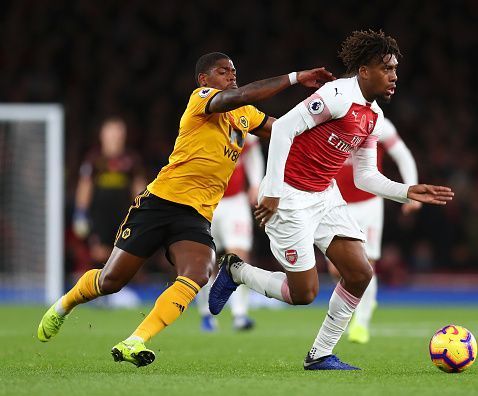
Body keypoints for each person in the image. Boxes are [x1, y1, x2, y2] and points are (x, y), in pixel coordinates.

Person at [37, 51, 334, 367]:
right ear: (204, 79)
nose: (232, 75)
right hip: (160, 202)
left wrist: (329, 120)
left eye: (234, 71)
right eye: (223, 71)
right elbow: (241, 94)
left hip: (194, 216)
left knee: (199, 272)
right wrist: (294, 78)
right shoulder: (202, 98)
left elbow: (285, 130)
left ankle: (134, 341)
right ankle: (64, 305)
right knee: (111, 281)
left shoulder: (244, 113)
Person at [208, 30, 454, 370]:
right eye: (387, 68)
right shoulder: (336, 94)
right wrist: (274, 191)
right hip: (290, 196)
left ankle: (320, 354)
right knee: (303, 294)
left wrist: (406, 191)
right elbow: (282, 130)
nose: (394, 76)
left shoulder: (374, 117)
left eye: (396, 69)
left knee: (359, 272)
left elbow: (363, 176)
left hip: (325, 195)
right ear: (365, 70)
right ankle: (236, 272)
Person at [330, 117, 421, 344]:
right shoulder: (330, 118)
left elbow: (403, 154)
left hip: (368, 204)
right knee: (335, 269)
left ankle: (361, 322)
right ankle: (360, 303)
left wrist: (411, 188)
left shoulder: (379, 122)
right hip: (335, 203)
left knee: (366, 264)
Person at [72, 117, 146, 307]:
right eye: (111, 133)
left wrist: (144, 210)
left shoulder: (131, 160)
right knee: (98, 253)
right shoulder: (94, 159)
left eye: (118, 133)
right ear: (102, 135)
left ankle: (113, 292)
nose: (115, 137)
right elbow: (85, 186)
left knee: (121, 253)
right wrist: (80, 212)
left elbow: (138, 188)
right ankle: (96, 293)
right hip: (99, 216)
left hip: (123, 215)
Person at [197, 133, 264, 331]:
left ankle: (240, 314)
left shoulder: (240, 120)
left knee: (238, 258)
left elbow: (252, 152)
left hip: (235, 202)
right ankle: (206, 315)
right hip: (206, 202)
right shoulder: (200, 122)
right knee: (204, 262)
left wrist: (255, 183)